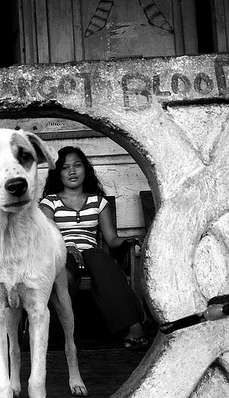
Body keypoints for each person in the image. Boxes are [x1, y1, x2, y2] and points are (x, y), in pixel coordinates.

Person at [39, 145, 150, 349]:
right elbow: (45, 237)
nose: (72, 171)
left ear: (85, 169)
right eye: (65, 167)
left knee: (101, 259)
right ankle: (54, 333)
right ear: (58, 173)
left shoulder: (98, 202)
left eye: (77, 165)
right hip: (61, 253)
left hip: (90, 254)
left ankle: (134, 327)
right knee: (63, 273)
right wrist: (66, 247)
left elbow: (111, 239)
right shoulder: (50, 202)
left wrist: (128, 240)